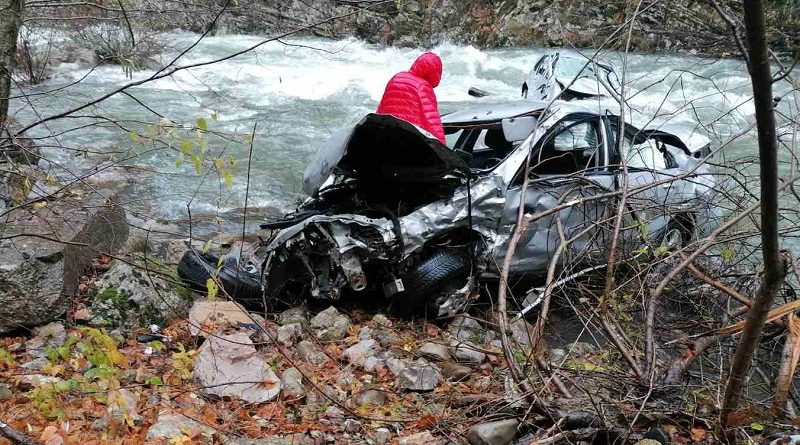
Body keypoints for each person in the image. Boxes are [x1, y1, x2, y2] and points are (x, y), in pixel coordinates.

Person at [376, 51, 446, 144]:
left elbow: (381, 108)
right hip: (411, 141)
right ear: (435, 71)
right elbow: (431, 120)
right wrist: (442, 146)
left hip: (388, 137)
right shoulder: (423, 86)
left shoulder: (397, 77)